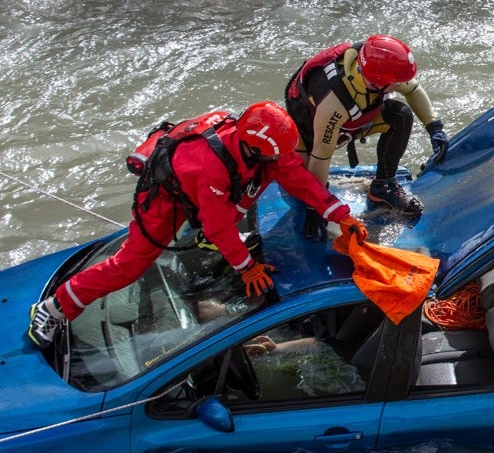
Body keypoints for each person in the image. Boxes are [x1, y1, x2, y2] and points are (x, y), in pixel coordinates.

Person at [27, 102, 364, 348]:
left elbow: (298, 179)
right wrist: (246, 267)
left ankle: (219, 248)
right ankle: (55, 307)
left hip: (209, 193)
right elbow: (218, 227)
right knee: (129, 266)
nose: (281, 161)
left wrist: (341, 214)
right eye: (275, 157)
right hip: (167, 201)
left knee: (252, 198)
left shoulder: (262, 147)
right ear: (254, 149)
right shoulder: (211, 168)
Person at [282, 35, 449, 228]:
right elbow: (321, 154)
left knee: (401, 115)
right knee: (301, 192)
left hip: (353, 119)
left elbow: (413, 90)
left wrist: (434, 127)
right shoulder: (334, 103)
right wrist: (317, 208)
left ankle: (383, 187)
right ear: (377, 81)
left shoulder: (373, 71)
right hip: (309, 131)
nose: (399, 85)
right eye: (395, 83)